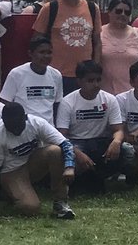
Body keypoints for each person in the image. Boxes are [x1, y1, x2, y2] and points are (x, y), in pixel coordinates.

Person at [0, 103, 76, 219]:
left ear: (25, 117)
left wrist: (69, 167)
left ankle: (60, 203)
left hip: (33, 163)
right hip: (11, 172)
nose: (16, 131)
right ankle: (11, 195)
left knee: (55, 151)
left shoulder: (37, 123)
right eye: (11, 127)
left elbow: (65, 144)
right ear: (3, 121)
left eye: (18, 125)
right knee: (31, 208)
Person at [55, 60, 132, 194]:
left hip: (100, 142)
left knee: (128, 151)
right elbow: (62, 136)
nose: (96, 84)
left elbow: (118, 129)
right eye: (90, 81)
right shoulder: (68, 102)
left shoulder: (109, 99)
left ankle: (116, 180)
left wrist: (116, 141)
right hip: (76, 143)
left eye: (98, 80)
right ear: (79, 81)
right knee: (67, 157)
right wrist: (78, 154)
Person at [33, 0, 101, 92]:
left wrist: (95, 68)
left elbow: (97, 42)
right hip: (56, 75)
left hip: (85, 76)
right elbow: (37, 41)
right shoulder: (50, 9)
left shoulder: (92, 8)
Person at [0, 35, 63, 124]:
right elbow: (5, 102)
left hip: (48, 129)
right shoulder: (16, 74)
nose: (46, 56)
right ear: (30, 53)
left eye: (49, 52)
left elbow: (57, 104)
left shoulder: (56, 75)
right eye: (42, 52)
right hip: (24, 127)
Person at [100, 0, 138, 95]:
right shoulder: (98, 33)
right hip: (105, 94)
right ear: (109, 12)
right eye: (118, 11)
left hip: (133, 95)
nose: (122, 14)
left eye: (127, 12)